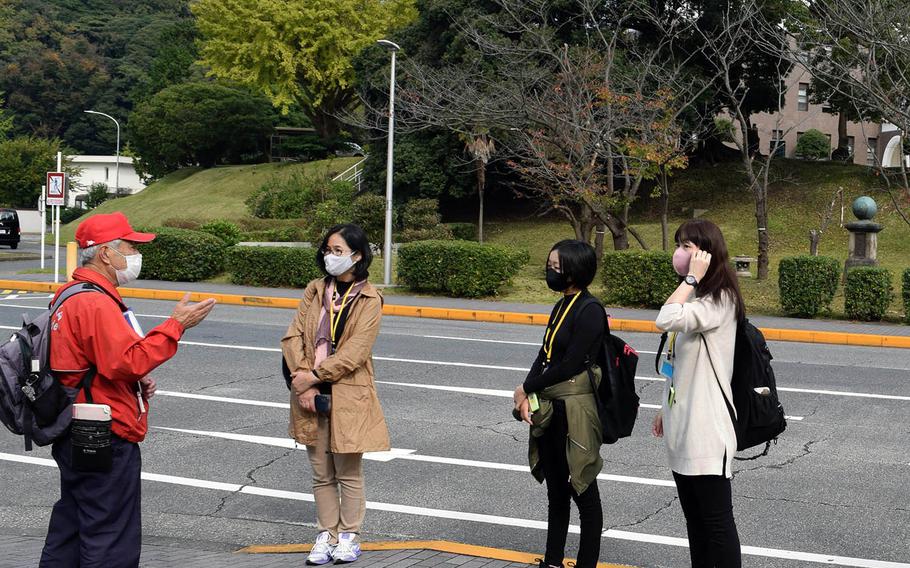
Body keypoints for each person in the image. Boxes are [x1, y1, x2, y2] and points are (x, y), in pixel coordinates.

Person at [40, 212, 216, 568]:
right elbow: (126, 362)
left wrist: (134, 380)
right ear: (106, 253)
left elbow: (92, 361)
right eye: (129, 246)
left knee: (73, 525)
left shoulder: (71, 293)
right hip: (102, 431)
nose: (135, 254)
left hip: (74, 424)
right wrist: (175, 326)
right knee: (110, 535)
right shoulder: (95, 302)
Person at [281, 224, 390, 566]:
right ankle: (325, 534)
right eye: (328, 249)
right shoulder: (315, 290)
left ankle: (349, 536)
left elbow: (356, 351)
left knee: (348, 471)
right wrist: (304, 380)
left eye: (338, 251)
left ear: (357, 256)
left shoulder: (370, 298)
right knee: (321, 473)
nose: (330, 256)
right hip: (309, 394)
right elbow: (294, 336)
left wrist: (313, 376)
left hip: (348, 394)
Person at [652, 219, 745, 567]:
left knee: (716, 524)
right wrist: (665, 408)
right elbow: (677, 363)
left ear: (706, 253)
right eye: (678, 245)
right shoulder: (700, 298)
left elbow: (665, 318)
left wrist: (689, 279)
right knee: (696, 522)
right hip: (683, 426)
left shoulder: (719, 300)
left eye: (687, 246)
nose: (679, 253)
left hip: (707, 432)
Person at [512, 240, 605, 568]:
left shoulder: (590, 310)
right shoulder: (562, 304)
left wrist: (527, 386)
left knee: (583, 488)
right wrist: (526, 391)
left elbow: (570, 364)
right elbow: (546, 355)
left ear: (574, 270)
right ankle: (552, 561)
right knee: (556, 491)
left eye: (556, 267)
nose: (550, 271)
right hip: (551, 406)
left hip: (575, 411)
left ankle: (586, 564)